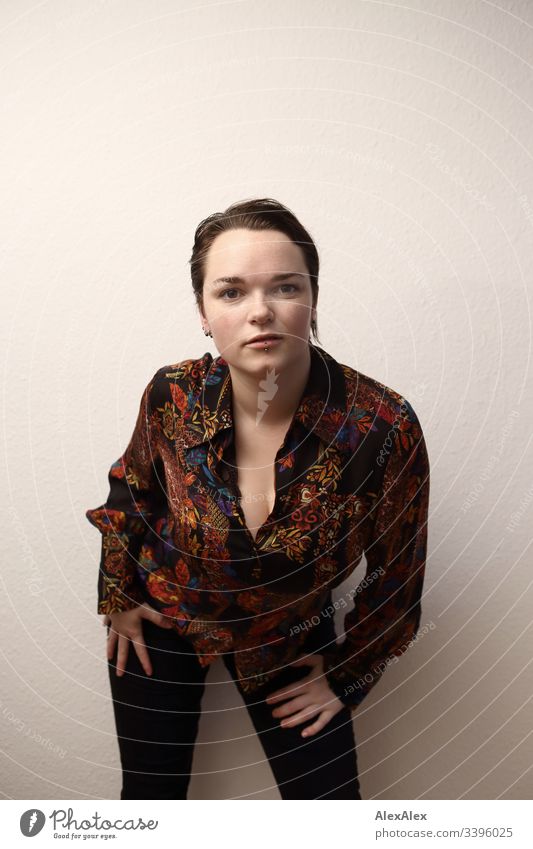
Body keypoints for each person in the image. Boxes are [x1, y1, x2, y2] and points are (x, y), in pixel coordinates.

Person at [86, 197, 430, 800]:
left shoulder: (382, 424)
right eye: (231, 292)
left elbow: (399, 573)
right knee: (148, 803)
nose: (261, 312)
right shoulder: (174, 394)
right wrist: (118, 592)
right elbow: (131, 488)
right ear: (203, 311)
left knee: (329, 815)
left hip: (290, 639)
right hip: (167, 616)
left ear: (313, 298)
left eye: (285, 287)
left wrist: (347, 678)